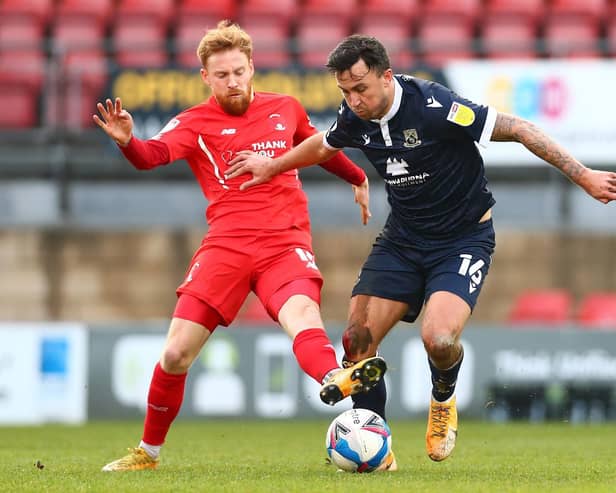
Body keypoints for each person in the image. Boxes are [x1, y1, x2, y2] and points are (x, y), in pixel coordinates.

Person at [226, 34, 616, 465]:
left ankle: (442, 402)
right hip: (403, 241)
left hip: (462, 240)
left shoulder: (435, 107)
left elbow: (520, 128)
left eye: (361, 88)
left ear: (386, 76)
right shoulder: (354, 117)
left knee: (439, 338)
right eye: (345, 91)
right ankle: (376, 447)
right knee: (356, 343)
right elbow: (324, 143)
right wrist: (273, 164)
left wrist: (583, 176)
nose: (353, 99)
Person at [95, 22, 389, 472]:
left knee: (302, 316)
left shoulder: (285, 108)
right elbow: (152, 156)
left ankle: (335, 378)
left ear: (252, 68)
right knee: (175, 354)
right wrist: (128, 143)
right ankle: (147, 453)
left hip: (284, 242)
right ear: (205, 78)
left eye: (239, 71)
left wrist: (357, 177)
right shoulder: (194, 123)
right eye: (222, 74)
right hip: (226, 248)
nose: (232, 81)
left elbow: (318, 146)